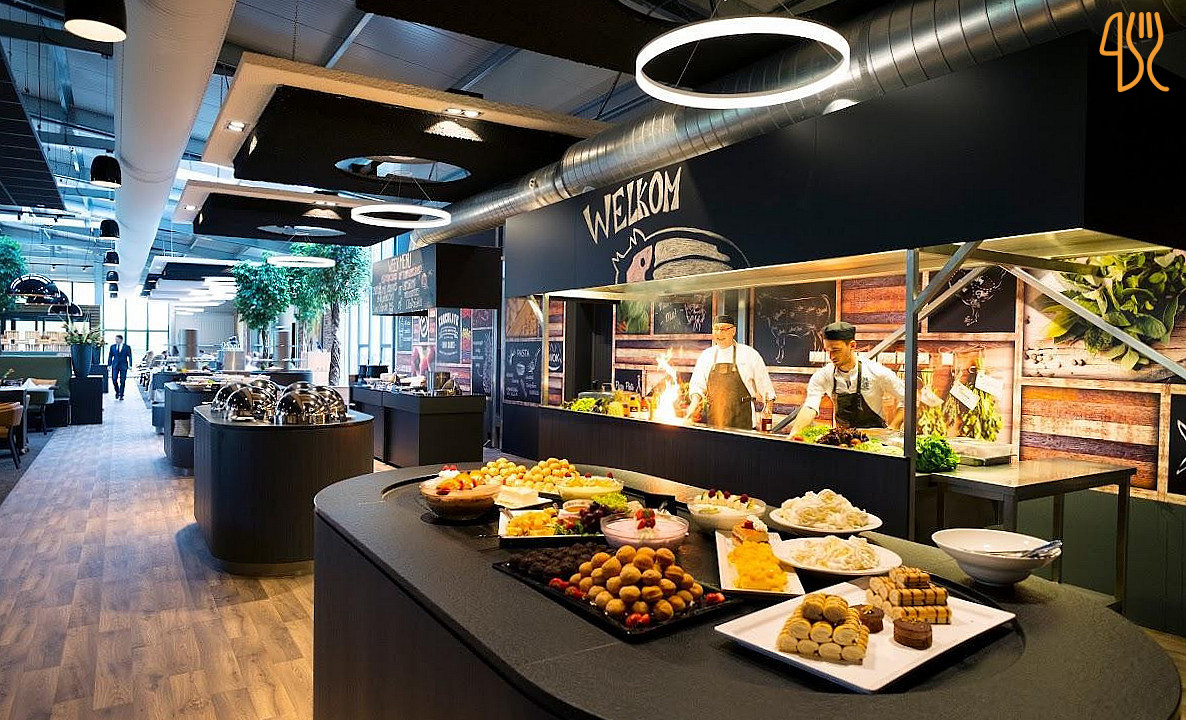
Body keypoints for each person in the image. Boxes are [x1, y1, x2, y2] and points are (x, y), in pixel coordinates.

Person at [787, 321, 905, 437]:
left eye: (836, 350)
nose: (831, 356)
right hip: (842, 440)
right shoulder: (823, 375)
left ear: (852, 345)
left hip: (875, 440)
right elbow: (810, 406)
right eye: (828, 351)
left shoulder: (877, 372)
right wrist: (794, 433)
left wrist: (894, 426)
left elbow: (908, 399)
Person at [684, 314, 777, 430]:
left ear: (733, 331)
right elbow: (697, 386)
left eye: (724, 329)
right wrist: (693, 406)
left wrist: (768, 410)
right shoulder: (706, 356)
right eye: (716, 329)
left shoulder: (749, 354)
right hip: (714, 422)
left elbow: (766, 387)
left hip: (743, 421)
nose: (719, 333)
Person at [108, 335, 133, 400]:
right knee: (114, 379)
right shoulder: (112, 347)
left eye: (117, 339)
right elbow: (110, 356)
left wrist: (130, 365)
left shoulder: (127, 347)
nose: (116, 341)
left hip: (123, 365)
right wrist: (109, 365)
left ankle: (121, 395)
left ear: (121, 340)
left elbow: (130, 356)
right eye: (115, 339)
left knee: (122, 380)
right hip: (115, 365)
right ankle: (117, 392)